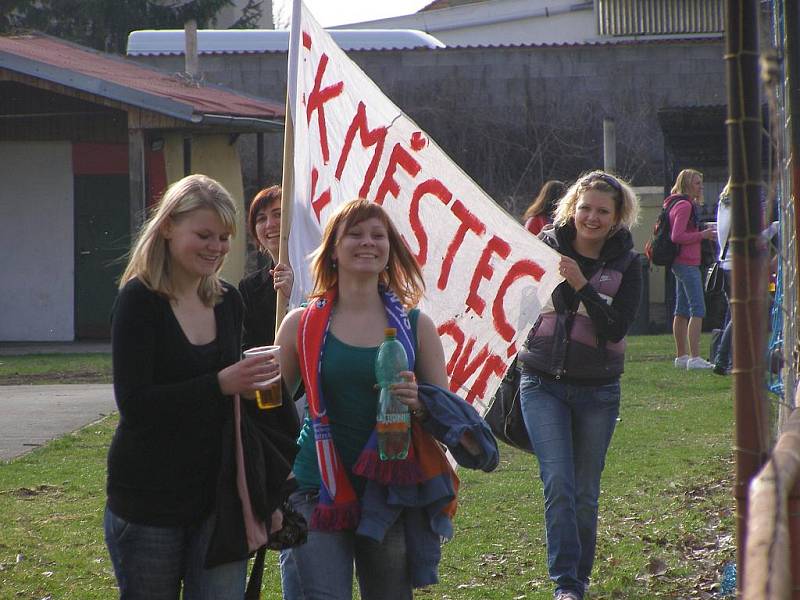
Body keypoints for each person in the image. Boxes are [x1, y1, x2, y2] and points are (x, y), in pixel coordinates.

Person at [274, 199, 491, 600]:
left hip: (389, 491)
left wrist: (419, 404)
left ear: (390, 249)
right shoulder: (299, 324)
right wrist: (276, 480)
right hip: (314, 488)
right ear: (333, 248)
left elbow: (445, 417)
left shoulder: (415, 326)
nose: (367, 242)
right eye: (354, 234)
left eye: (378, 235)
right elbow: (271, 413)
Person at [105, 174, 299, 599]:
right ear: (169, 226)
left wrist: (249, 390)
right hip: (149, 500)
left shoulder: (230, 301)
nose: (216, 247)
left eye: (225, 237)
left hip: (221, 500)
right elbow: (135, 405)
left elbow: (233, 399)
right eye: (205, 235)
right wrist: (220, 384)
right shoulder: (139, 300)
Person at [517, 170, 642, 600]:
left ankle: (579, 579)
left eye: (602, 211)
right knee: (558, 483)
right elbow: (520, 308)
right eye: (585, 207)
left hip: (598, 392)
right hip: (541, 383)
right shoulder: (543, 247)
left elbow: (616, 327)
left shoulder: (629, 262)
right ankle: (565, 585)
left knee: (585, 492)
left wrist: (582, 284)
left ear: (617, 217)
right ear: (573, 206)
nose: (591, 217)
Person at [666, 169, 717, 370]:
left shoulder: (673, 202)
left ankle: (681, 356)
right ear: (687, 184)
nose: (700, 187)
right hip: (686, 262)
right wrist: (702, 235)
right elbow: (677, 236)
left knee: (682, 309)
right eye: (697, 183)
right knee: (698, 308)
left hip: (680, 262)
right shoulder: (685, 205)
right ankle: (695, 358)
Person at [239, 185, 293, 349]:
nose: (270, 224)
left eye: (278, 214)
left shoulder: (321, 275)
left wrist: (296, 295)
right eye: (261, 219)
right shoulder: (249, 288)